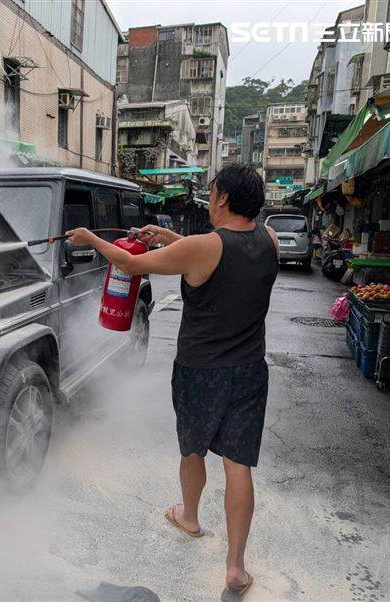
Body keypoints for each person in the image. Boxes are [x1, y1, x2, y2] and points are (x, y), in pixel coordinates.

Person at [66, 163, 279, 601]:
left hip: (201, 371)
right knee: (238, 464)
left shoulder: (204, 246)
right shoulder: (270, 239)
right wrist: (171, 240)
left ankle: (190, 517)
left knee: (192, 448)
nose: (211, 195)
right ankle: (236, 569)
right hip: (250, 369)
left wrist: (89, 239)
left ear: (221, 198)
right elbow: (219, 255)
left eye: (213, 189)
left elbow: (128, 261)